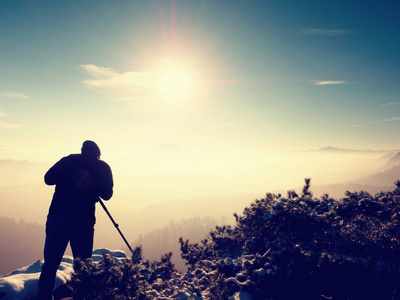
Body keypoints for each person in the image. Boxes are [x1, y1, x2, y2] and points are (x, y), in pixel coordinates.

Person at [37, 140, 113, 300]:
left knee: (50, 265)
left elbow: (48, 178)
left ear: (82, 150)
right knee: (83, 268)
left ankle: (44, 297)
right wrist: (93, 185)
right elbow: (107, 195)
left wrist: (67, 174)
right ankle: (82, 297)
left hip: (58, 217)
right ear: (98, 154)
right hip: (83, 222)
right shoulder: (102, 167)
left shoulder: (69, 160)